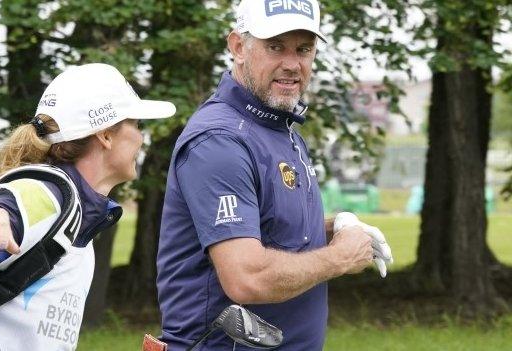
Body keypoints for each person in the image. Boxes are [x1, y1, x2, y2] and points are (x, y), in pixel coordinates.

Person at [156, 0, 393, 350]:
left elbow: (269, 225)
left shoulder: (280, 129)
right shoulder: (221, 141)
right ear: (238, 47)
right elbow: (247, 278)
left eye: (304, 49)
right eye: (275, 47)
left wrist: (334, 227)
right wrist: (340, 257)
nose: (292, 64)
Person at [0, 63, 176, 351]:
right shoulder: (47, 196)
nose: (141, 138)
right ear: (106, 135)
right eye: (136, 124)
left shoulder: (77, 215)